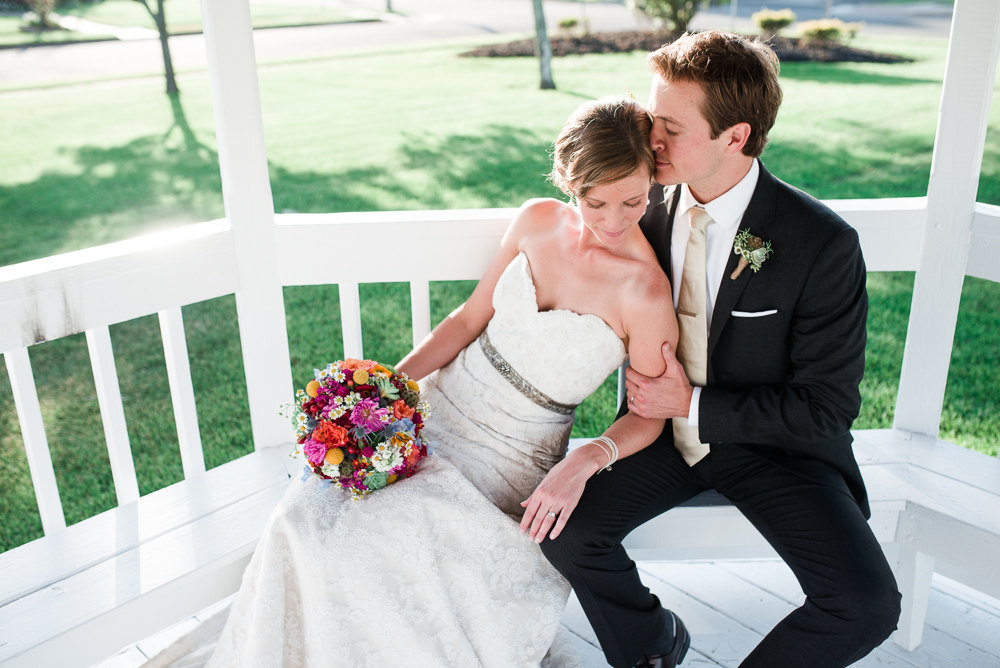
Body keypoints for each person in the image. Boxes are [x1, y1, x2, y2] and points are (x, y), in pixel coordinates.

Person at [205, 96, 678, 668]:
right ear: (568, 182)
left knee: (377, 545)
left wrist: (586, 460)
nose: (612, 219)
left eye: (634, 199)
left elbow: (650, 413)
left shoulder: (644, 291)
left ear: (652, 179)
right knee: (308, 517)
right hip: (435, 411)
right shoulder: (536, 221)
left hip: (511, 454)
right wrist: (378, 395)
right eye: (594, 201)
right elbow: (467, 320)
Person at [540, 31, 903, 668]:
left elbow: (826, 407)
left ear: (734, 137)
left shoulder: (821, 244)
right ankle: (652, 644)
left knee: (867, 603)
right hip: (659, 441)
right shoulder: (641, 210)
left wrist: (696, 402)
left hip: (777, 450)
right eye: (654, 119)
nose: (652, 141)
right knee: (565, 530)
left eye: (671, 129)